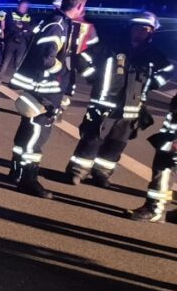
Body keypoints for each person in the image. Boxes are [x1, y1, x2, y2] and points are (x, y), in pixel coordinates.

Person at [65, 12, 172, 187]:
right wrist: (94, 78)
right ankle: (77, 171)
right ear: (130, 28)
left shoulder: (151, 54)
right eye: (138, 27)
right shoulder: (111, 46)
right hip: (103, 104)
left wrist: (153, 83)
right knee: (92, 139)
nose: (142, 32)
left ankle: (102, 173)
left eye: (147, 29)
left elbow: (168, 69)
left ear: (152, 32)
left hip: (130, 109)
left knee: (116, 144)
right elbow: (82, 59)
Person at [7, 0, 88, 197]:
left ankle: (15, 172)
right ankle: (28, 179)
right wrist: (63, 72)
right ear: (79, 6)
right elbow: (47, 59)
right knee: (36, 136)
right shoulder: (58, 25)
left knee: (26, 132)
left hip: (39, 88)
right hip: (45, 91)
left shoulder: (55, 21)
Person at [129, 95, 177, 222]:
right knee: (162, 169)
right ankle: (154, 208)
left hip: (172, 140)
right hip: (170, 136)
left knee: (163, 170)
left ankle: (154, 210)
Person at [0, 0, 33, 84]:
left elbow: (30, 29)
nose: (23, 8)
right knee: (5, 62)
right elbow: (10, 26)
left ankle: (14, 83)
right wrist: (22, 28)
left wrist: (22, 27)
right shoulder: (11, 14)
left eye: (25, 7)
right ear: (18, 6)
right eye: (22, 6)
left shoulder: (28, 16)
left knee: (18, 64)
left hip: (22, 42)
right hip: (11, 41)